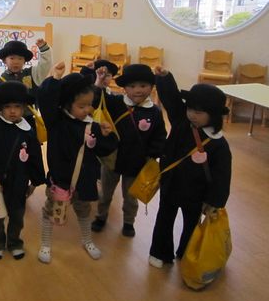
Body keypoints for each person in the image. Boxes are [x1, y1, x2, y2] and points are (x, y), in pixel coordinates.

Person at [148, 66, 231, 268]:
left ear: (213, 115)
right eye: (190, 109)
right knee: (164, 219)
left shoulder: (218, 144)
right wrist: (165, 78)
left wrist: (215, 201)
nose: (192, 114)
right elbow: (172, 100)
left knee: (191, 225)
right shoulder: (181, 121)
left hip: (196, 193)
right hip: (171, 184)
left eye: (199, 112)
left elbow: (222, 176)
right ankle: (159, 252)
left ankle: (187, 252)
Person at [37, 62, 118, 263]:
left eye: (90, 105)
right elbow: (45, 100)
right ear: (67, 104)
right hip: (61, 181)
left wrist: (107, 135)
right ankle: (45, 244)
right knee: (51, 212)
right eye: (81, 106)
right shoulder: (56, 122)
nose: (87, 110)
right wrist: (55, 79)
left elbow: (105, 149)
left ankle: (87, 240)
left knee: (84, 211)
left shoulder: (92, 125)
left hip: (84, 181)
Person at [91, 64, 166, 238]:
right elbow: (96, 100)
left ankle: (129, 222)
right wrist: (99, 83)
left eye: (143, 85)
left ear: (151, 87)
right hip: (112, 159)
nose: (137, 90)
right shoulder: (117, 102)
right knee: (105, 193)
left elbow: (159, 136)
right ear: (124, 88)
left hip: (136, 162)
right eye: (132, 86)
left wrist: (152, 155)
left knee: (131, 197)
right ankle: (101, 216)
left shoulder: (154, 112)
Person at [0, 72, 45, 260]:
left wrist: (35, 181)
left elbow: (35, 157)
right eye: (7, 107)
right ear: (0, 108)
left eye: (17, 106)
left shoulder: (28, 131)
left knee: (17, 215)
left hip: (19, 182)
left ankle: (15, 243)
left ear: (24, 108)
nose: (13, 111)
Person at [0, 39, 52, 126]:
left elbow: (45, 65)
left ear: (24, 61)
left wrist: (44, 49)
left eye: (20, 58)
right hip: (6, 122)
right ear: (4, 60)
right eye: (12, 58)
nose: (16, 62)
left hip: (29, 120)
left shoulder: (32, 74)